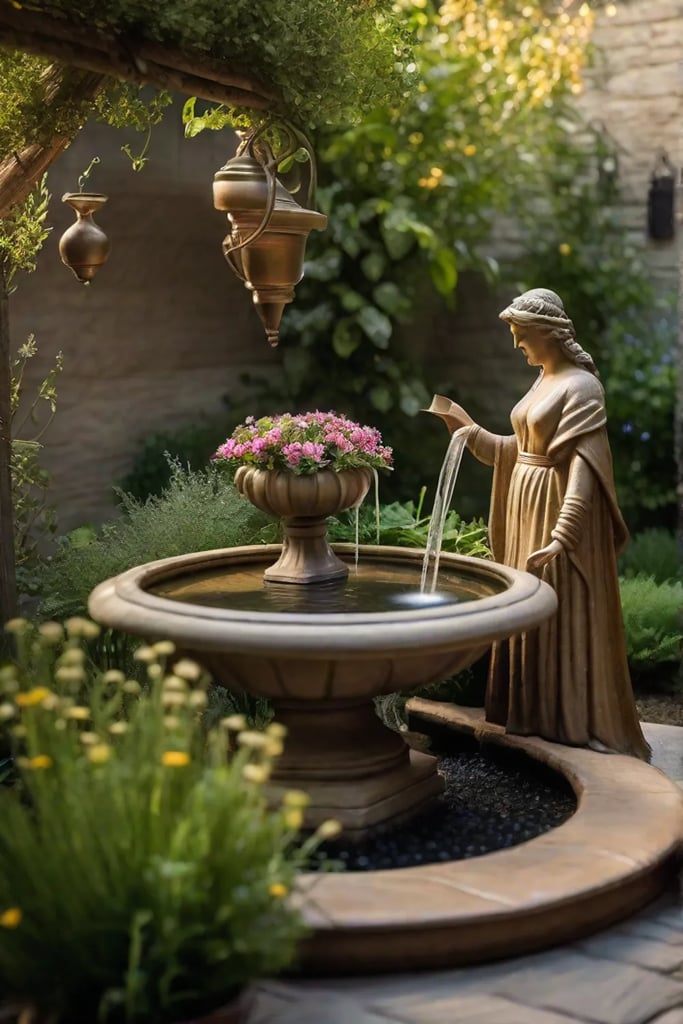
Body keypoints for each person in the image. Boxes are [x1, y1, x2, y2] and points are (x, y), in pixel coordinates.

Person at [430, 288, 650, 759]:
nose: (515, 345)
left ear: (548, 334)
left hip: (554, 513)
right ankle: (532, 713)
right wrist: (471, 433)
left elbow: (582, 470)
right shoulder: (544, 379)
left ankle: (568, 718)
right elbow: (519, 449)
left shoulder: (582, 388)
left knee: (558, 609)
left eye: (521, 334)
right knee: (527, 611)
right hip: (525, 503)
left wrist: (562, 538)